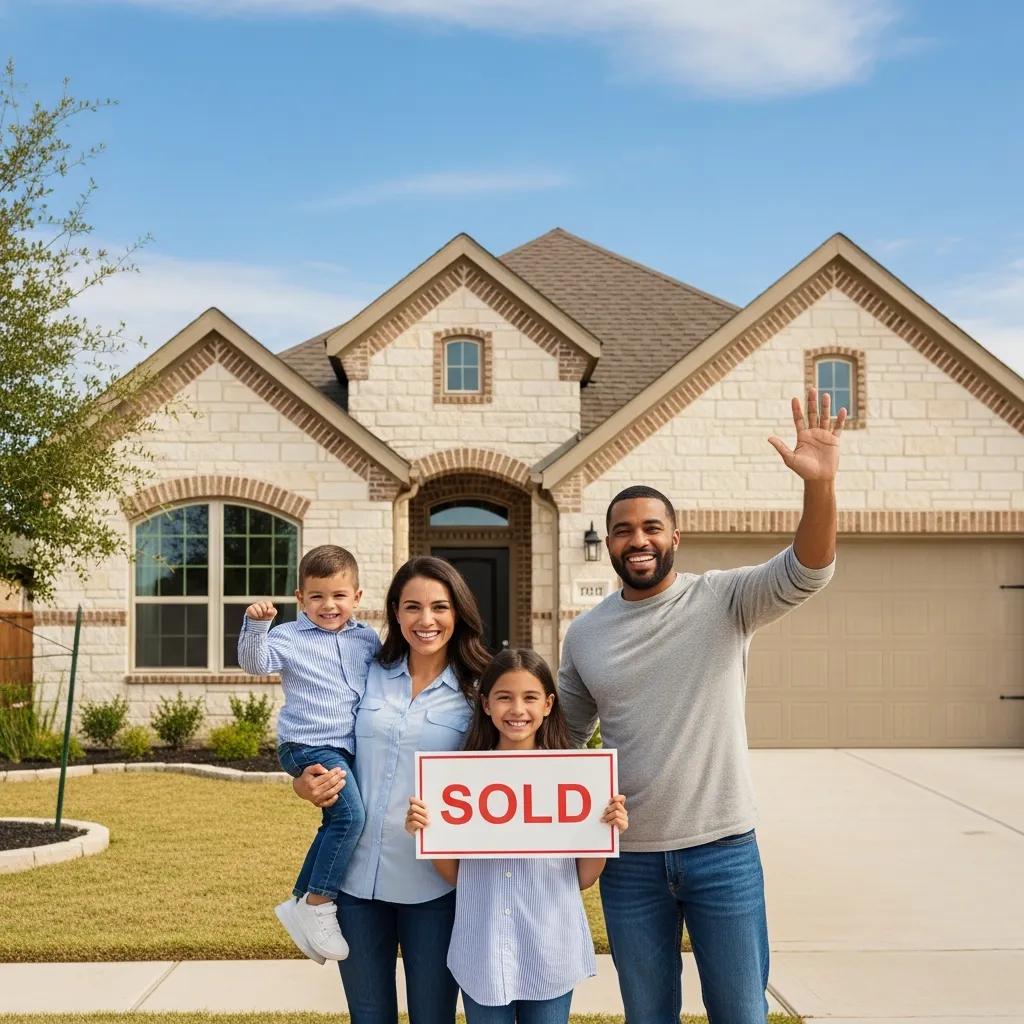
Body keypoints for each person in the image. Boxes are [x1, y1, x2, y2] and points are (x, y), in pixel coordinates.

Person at [557, 389, 845, 1023]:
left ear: (674, 537)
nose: (638, 539)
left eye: (651, 527)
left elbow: (809, 569)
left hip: (724, 851)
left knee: (741, 1011)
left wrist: (819, 487)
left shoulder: (724, 600)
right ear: (607, 544)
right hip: (627, 863)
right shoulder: (584, 634)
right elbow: (559, 739)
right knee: (648, 1013)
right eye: (624, 530)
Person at [292, 555, 491, 1024]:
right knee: (368, 1016)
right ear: (395, 612)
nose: (426, 620)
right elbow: (322, 732)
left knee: (432, 1016)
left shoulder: (479, 690)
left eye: (439, 607)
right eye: (412, 607)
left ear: (458, 612)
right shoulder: (366, 669)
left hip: (435, 887)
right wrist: (303, 781)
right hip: (359, 884)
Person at [404, 647, 628, 1024]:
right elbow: (456, 875)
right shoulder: (459, 780)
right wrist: (426, 832)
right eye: (504, 697)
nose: (517, 710)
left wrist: (603, 829)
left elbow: (584, 878)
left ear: (548, 704)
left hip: (550, 948)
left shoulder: (573, 780)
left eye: (530, 698)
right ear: (486, 704)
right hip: (483, 947)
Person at [238, 543, 378, 963]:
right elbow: (254, 663)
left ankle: (300, 899)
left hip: (349, 746)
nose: (328, 605)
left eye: (338, 596)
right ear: (300, 598)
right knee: (351, 816)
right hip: (309, 743)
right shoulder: (289, 636)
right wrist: (254, 625)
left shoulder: (366, 638)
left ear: (356, 597)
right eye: (316, 596)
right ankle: (318, 903)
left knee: (337, 820)